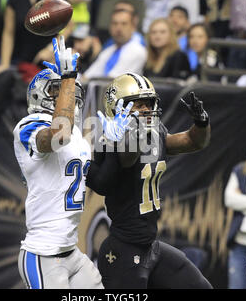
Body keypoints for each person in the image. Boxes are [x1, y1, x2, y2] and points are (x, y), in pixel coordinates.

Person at [14, 36, 136, 289]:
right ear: (40, 95)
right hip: (43, 253)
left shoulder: (78, 138)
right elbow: (59, 135)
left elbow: (100, 181)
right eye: (56, 91)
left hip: (71, 251)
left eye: (66, 92)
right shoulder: (29, 125)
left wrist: (112, 145)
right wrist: (69, 76)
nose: (66, 97)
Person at [87, 73, 213, 288]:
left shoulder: (154, 132)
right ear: (116, 108)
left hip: (150, 246)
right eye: (137, 104)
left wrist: (201, 123)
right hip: (123, 249)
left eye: (148, 103)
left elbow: (192, 142)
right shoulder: (111, 139)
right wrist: (126, 135)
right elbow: (129, 157)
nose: (146, 109)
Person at [0, 0, 67, 75]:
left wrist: (51, 48)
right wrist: (5, 64)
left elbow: (69, 27)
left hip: (47, 60)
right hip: (20, 58)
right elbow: (8, 33)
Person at [82, 9, 147, 81]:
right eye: (115, 23)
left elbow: (112, 82)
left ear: (133, 27)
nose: (118, 28)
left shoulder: (137, 50)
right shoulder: (108, 50)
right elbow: (86, 77)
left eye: (124, 24)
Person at [224, 139, 246, 289]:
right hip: (240, 246)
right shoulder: (241, 170)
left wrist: (243, 202)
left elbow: (237, 201)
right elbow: (229, 199)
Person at [168, 6, 198, 72]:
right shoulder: (161, 40)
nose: (174, 20)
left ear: (187, 22)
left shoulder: (191, 41)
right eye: (171, 16)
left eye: (180, 17)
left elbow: (193, 67)